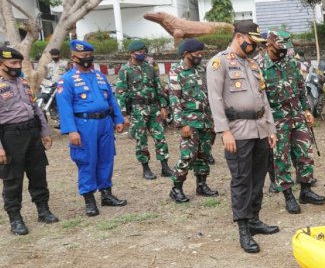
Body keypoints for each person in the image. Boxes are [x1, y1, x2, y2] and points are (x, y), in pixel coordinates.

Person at [207, 20, 278, 254]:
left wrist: (270, 129)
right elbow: (215, 99)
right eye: (251, 42)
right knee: (241, 180)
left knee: (258, 178)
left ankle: (255, 219)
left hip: (259, 128)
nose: (255, 47)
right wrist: (223, 131)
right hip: (237, 131)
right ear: (239, 37)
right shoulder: (220, 63)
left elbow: (263, 97)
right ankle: (244, 229)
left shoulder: (253, 63)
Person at [0, 47, 57, 235]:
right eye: (13, 64)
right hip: (10, 138)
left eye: (19, 63)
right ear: (0, 64)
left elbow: (35, 108)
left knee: (38, 174)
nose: (17, 67)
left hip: (31, 134)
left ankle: (43, 210)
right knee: (13, 180)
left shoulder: (22, 83)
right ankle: (15, 219)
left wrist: (44, 131)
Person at [56, 40, 127, 217]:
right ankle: (89, 200)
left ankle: (106, 194)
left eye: (89, 55)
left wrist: (118, 119)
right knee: (87, 160)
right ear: (74, 57)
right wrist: (71, 130)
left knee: (106, 158)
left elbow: (111, 100)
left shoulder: (99, 76)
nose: (87, 59)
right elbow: (64, 108)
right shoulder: (67, 80)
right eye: (83, 56)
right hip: (84, 125)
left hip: (104, 123)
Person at [261, 32, 325, 214]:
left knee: (305, 153)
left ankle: (305, 191)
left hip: (297, 115)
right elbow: (260, 99)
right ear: (269, 46)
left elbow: (300, 88)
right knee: (281, 158)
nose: (283, 51)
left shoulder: (291, 63)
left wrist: (306, 110)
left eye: (285, 47)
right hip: (276, 120)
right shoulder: (259, 67)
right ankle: (288, 196)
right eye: (279, 48)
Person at [167, 39, 218, 203]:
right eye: (197, 53)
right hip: (189, 121)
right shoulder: (177, 71)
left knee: (204, 153)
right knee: (188, 155)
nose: (200, 56)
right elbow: (174, 100)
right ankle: (176, 188)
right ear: (186, 54)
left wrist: (215, 118)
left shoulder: (202, 70)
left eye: (202, 53)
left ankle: (201, 184)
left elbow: (211, 95)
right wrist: (182, 124)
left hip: (206, 119)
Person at [114, 40, 173, 180]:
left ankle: (165, 166)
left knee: (160, 137)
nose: (142, 54)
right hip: (137, 109)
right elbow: (120, 93)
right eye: (139, 52)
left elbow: (158, 87)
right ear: (131, 53)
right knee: (141, 139)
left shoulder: (150, 67)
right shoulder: (125, 70)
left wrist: (163, 106)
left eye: (143, 52)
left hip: (153, 108)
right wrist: (124, 115)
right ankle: (146, 168)